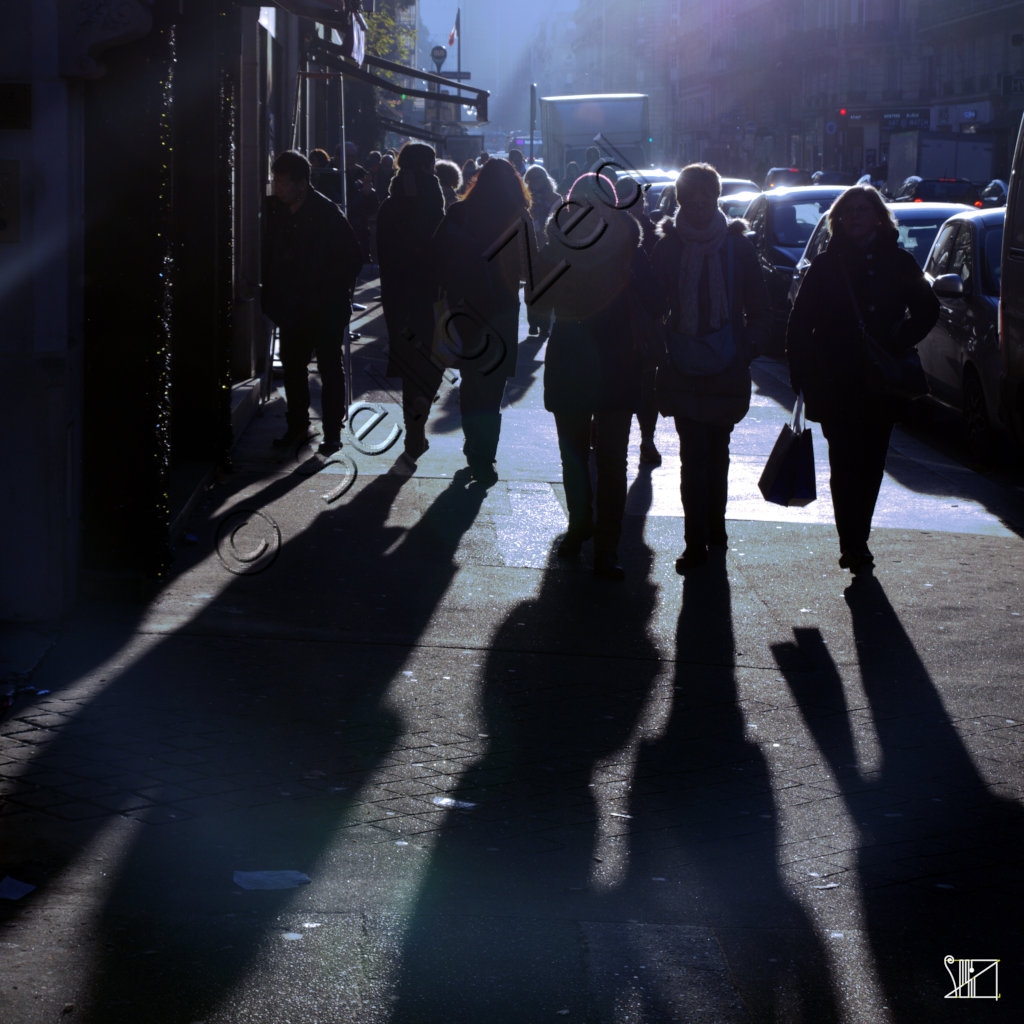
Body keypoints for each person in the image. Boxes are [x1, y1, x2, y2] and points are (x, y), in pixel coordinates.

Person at [787, 183, 939, 575]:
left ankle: (860, 537)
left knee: (871, 464)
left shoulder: (898, 261)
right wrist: (802, 373)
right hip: (835, 379)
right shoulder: (826, 264)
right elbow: (800, 322)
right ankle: (852, 544)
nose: (854, 217)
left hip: (881, 381)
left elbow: (927, 308)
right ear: (837, 220)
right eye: (847, 212)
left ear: (877, 217)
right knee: (844, 463)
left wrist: (897, 339)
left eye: (861, 210)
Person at [533, 172, 660, 579]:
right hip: (617, 359)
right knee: (610, 461)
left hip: (573, 355)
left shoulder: (558, 244)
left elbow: (536, 301)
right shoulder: (630, 244)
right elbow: (658, 303)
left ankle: (581, 526)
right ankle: (606, 547)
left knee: (575, 455)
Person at [652, 163, 770, 572]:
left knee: (717, 453)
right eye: (692, 198)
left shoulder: (737, 245)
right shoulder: (667, 246)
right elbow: (653, 305)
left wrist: (745, 348)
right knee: (692, 455)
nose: (700, 205)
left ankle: (714, 529)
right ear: (680, 201)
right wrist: (659, 348)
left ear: (716, 198)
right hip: (683, 364)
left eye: (707, 197)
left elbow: (759, 306)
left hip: (725, 364)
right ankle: (694, 541)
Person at [432, 157, 533, 486]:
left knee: (470, 381)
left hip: (464, 309)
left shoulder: (458, 213)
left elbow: (436, 256)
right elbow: (532, 268)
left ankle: (473, 445)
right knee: (492, 389)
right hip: (502, 311)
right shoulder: (519, 218)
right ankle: (484, 456)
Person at [261, 149, 364, 455]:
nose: (278, 188)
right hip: (292, 306)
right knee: (294, 368)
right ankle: (297, 426)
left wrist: (329, 286)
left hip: (325, 306)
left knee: (330, 367)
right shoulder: (275, 212)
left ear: (302, 183)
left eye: (283, 183)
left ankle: (332, 431)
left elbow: (353, 258)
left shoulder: (326, 213)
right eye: (275, 181)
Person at [375, 142, 447, 466]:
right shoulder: (434, 202)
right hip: (431, 295)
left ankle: (413, 432)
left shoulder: (389, 207)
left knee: (408, 366)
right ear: (428, 167)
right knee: (433, 363)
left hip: (398, 297)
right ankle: (419, 418)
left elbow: (381, 254)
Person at [523, 164, 561, 339]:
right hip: (530, 247)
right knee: (531, 288)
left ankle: (544, 325)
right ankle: (533, 322)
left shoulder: (555, 199)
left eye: (538, 178)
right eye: (531, 179)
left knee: (547, 288)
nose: (534, 182)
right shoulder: (524, 199)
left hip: (548, 249)